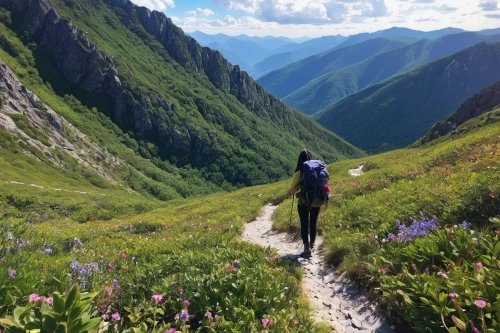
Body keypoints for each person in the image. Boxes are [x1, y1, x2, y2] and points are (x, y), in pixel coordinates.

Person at [288, 149, 321, 258]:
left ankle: (306, 248)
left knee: (304, 223)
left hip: (304, 202)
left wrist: (299, 191)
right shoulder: (317, 170)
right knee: (313, 222)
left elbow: (292, 190)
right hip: (316, 201)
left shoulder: (299, 173)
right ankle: (312, 244)